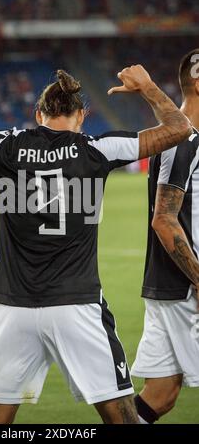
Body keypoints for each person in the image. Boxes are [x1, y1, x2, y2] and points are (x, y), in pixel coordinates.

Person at [0, 66, 192, 424]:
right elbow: (180, 129)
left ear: (37, 114)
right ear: (81, 115)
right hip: (77, 304)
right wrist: (149, 88)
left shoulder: (4, 146)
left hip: (14, 307)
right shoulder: (99, 149)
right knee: (122, 418)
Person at [131, 50, 199, 424]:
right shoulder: (184, 140)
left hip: (167, 286)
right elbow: (164, 219)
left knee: (160, 395)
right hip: (185, 291)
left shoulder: (185, 136)